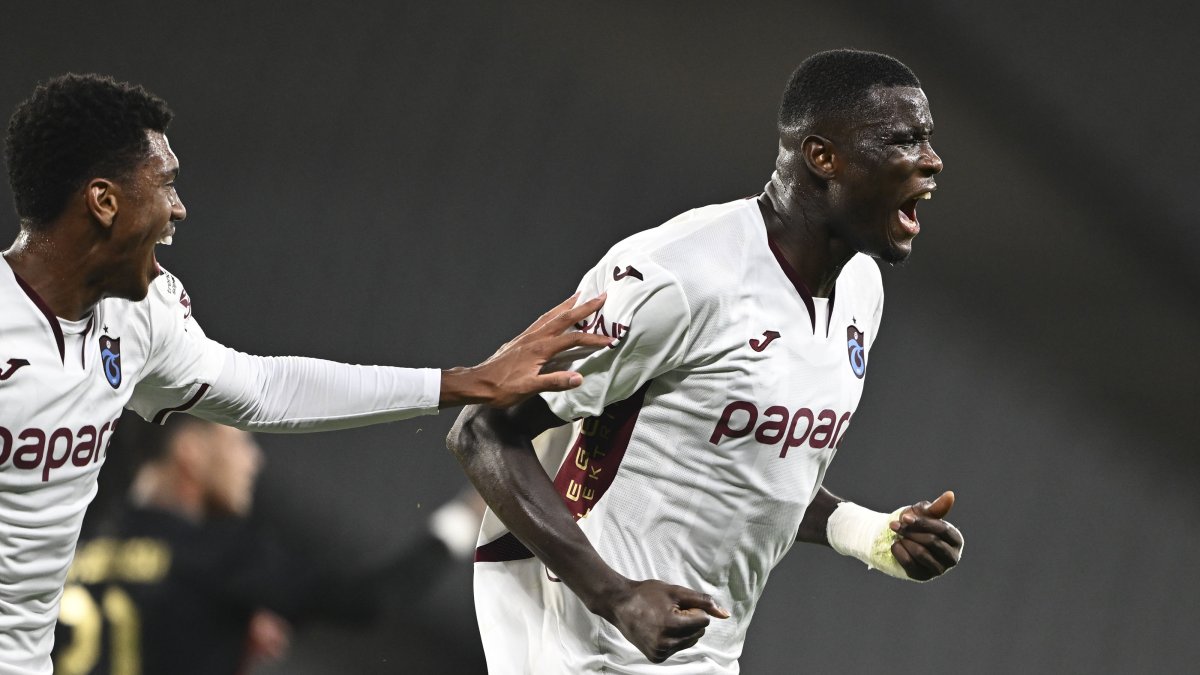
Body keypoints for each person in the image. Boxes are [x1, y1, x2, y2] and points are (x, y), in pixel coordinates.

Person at [0, 73, 612, 675]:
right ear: (104, 201)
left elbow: (266, 390)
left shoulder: (137, 319)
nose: (178, 208)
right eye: (165, 184)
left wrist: (468, 381)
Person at [447, 49, 966, 673]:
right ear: (823, 157)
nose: (932, 160)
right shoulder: (680, 276)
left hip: (702, 656)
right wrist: (615, 596)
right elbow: (482, 430)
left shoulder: (861, 289)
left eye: (928, 139)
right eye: (904, 140)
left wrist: (867, 534)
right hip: (587, 650)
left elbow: (752, 473)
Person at [51, 414, 486, 675]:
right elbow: (366, 601)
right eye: (237, 439)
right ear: (191, 450)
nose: (253, 459)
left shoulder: (74, 553)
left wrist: (222, 634)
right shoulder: (219, 555)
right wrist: (467, 516)